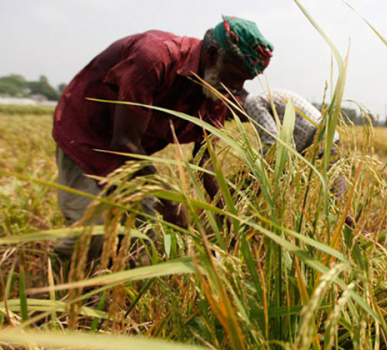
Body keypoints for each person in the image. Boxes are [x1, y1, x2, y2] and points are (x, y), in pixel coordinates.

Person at [52, 16, 273, 261]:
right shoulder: (155, 56)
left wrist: (229, 212)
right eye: (234, 75)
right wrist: (169, 200)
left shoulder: (217, 91)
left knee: (142, 241)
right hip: (87, 138)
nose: (236, 86)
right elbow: (124, 141)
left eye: (244, 81)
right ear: (211, 54)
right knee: (94, 235)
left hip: (135, 156)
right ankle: (60, 288)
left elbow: (205, 162)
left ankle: (119, 294)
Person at [242, 89, 346, 197]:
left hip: (323, 144)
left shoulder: (252, 102)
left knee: (336, 201)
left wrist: (250, 165)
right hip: (324, 141)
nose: (230, 118)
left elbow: (272, 142)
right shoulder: (264, 95)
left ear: (236, 99)